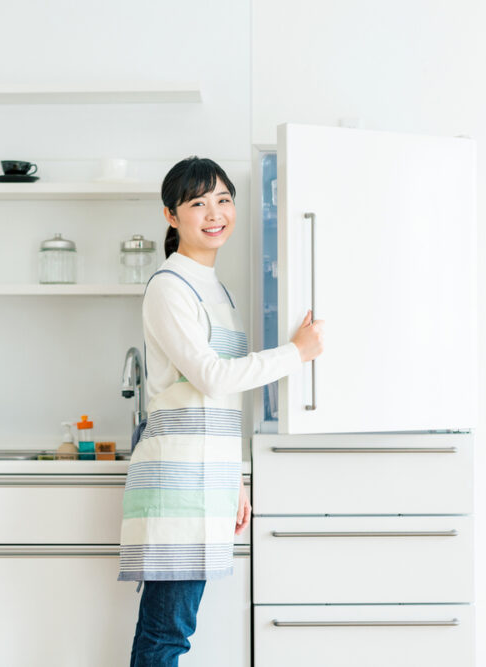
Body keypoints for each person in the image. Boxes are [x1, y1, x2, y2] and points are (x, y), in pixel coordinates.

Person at [118, 156, 325, 666]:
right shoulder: (169, 286)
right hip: (178, 482)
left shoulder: (216, 289)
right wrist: (295, 354)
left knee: (174, 629)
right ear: (171, 215)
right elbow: (212, 377)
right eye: (198, 203)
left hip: (204, 478)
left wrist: (234, 480)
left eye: (223, 200)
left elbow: (221, 402)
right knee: (167, 634)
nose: (215, 213)